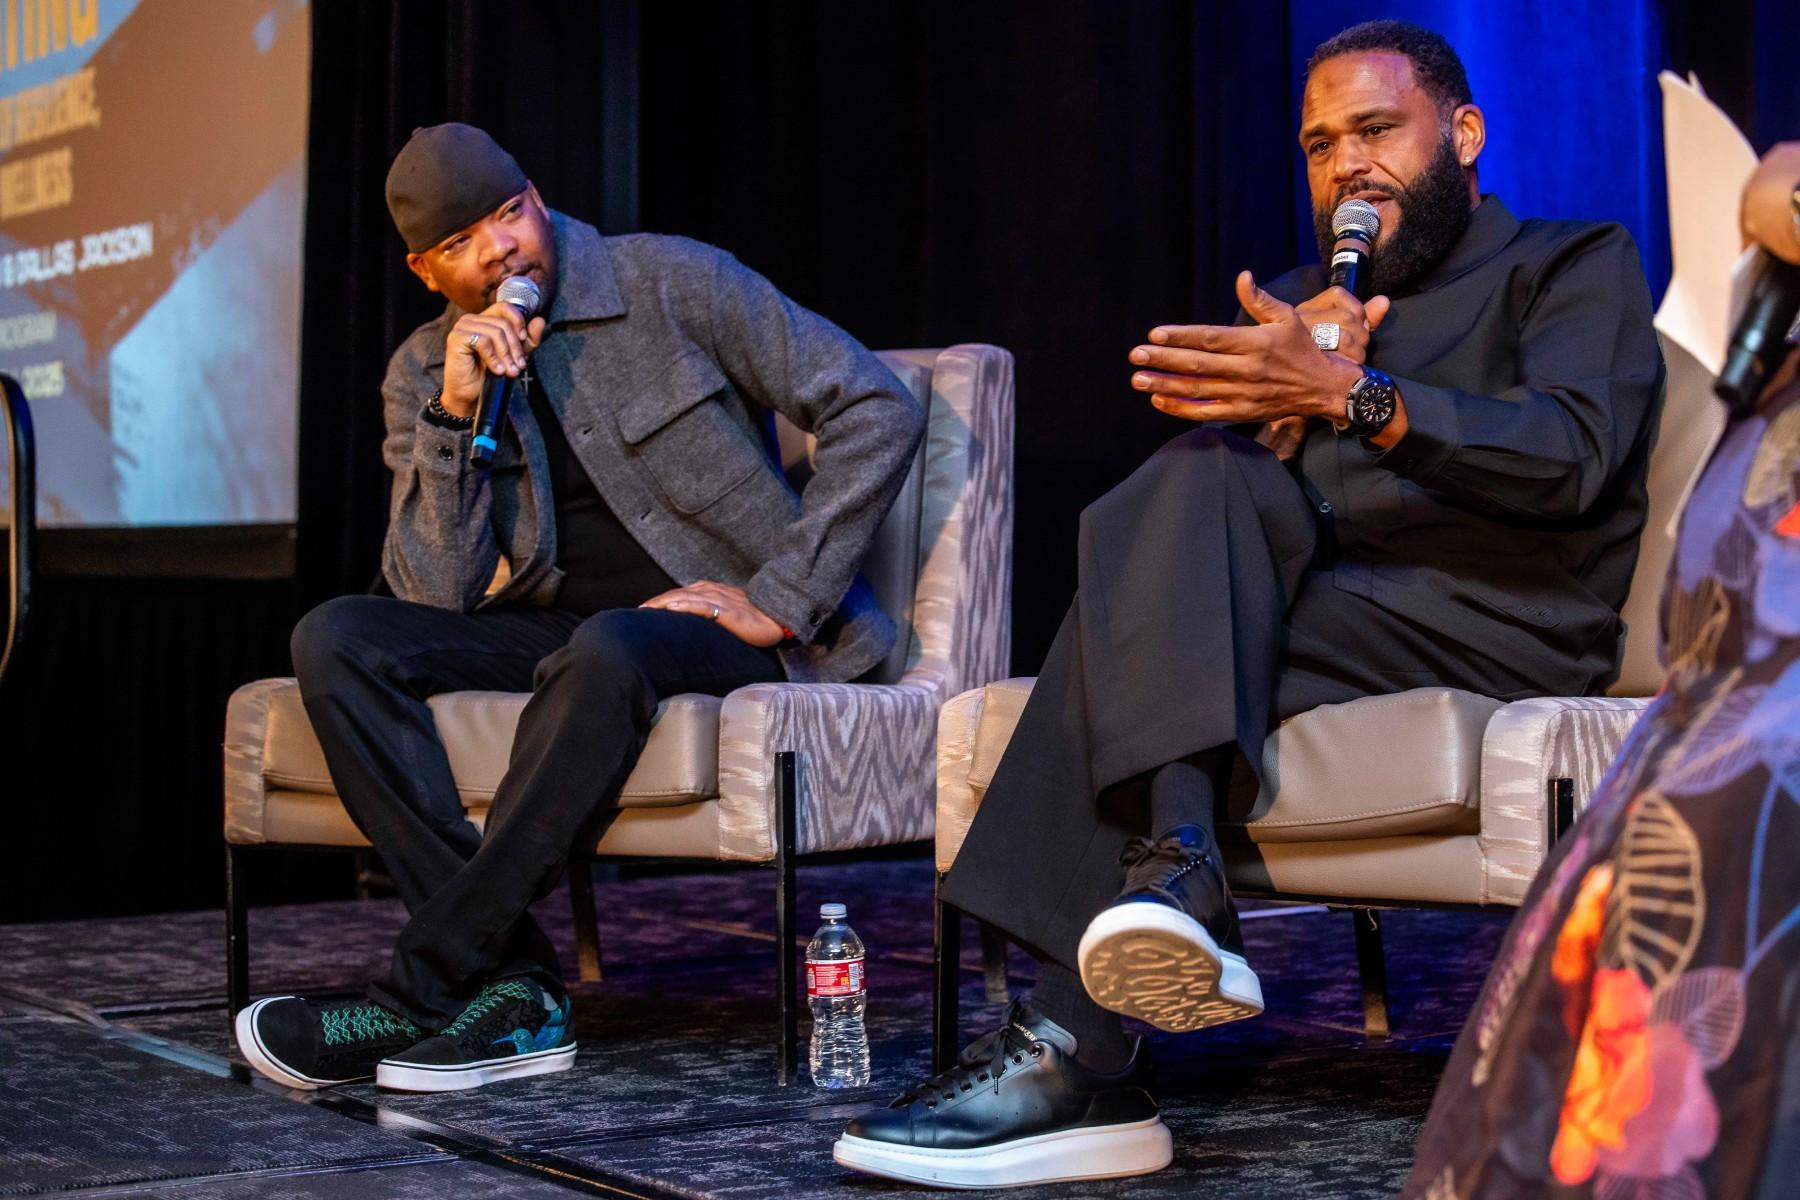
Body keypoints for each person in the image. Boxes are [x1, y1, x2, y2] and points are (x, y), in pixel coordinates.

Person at [835, 20, 1665, 1189]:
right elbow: (1237, 526)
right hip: (1338, 606)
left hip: (1508, 611)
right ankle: (1159, 904)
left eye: (1377, 130)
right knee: (1189, 490)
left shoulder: (1572, 262)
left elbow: (1572, 455)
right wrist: (1272, 421)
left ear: (1464, 134)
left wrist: (1357, 397)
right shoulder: (1294, 307)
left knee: (1140, 609)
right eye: (1321, 146)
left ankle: (1082, 1045)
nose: (1347, 167)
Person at [234, 123, 924, 1094]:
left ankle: (420, 988)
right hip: (567, 630)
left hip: (723, 633)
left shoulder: (670, 282)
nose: (500, 251)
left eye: (509, 216)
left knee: (608, 648)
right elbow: (437, 592)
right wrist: (452, 411)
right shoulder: (419, 370)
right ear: (426, 270)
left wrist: (782, 597)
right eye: (465, 243)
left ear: (539, 203)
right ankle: (514, 986)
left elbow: (875, 405)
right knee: (337, 636)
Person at [1400, 141, 1800, 1200]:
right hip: (1742, 651)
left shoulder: (1570, 262)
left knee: (1742, 786)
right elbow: (1779, 187)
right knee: (1679, 792)